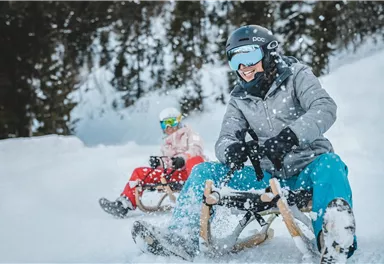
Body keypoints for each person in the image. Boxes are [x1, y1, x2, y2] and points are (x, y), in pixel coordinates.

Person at [132, 25, 357, 263]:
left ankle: (331, 240)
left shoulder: (297, 75)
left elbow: (325, 108)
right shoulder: (240, 98)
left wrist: (289, 136)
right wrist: (231, 151)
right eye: (235, 60)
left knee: (332, 165)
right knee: (203, 170)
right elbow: (225, 138)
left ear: (269, 53)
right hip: (268, 178)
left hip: (308, 169)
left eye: (249, 56)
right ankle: (181, 238)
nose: (243, 68)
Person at [99, 107, 205, 218]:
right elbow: (168, 163)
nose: (168, 127)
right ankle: (123, 204)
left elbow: (196, 150)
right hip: (175, 175)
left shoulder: (191, 134)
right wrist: (159, 162)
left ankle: (198, 197)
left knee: (195, 160)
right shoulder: (166, 143)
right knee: (139, 172)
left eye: (171, 122)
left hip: (192, 174)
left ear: (178, 121)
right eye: (164, 124)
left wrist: (183, 159)